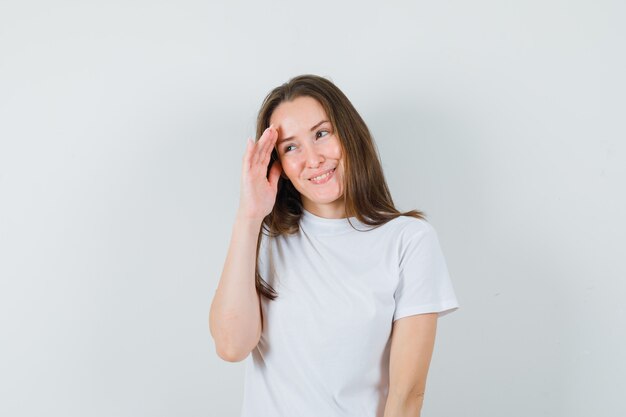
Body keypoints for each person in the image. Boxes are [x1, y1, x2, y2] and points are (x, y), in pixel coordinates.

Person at [209, 74, 459, 417]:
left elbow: (407, 396)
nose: (313, 159)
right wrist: (249, 216)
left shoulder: (409, 240)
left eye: (321, 134)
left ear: (349, 134)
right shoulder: (263, 239)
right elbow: (231, 346)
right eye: (291, 147)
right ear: (278, 164)